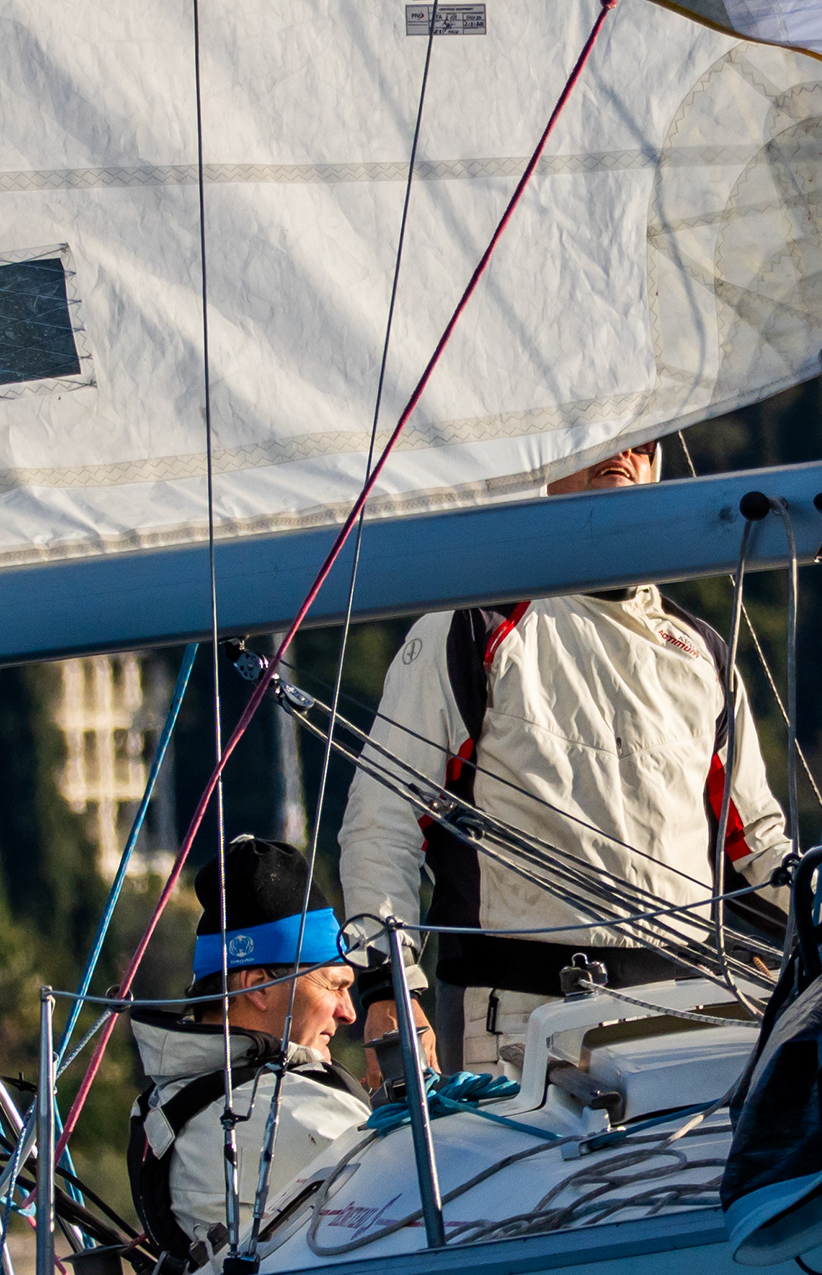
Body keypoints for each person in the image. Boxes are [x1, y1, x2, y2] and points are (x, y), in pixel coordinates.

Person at [337, 436, 793, 1073]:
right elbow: (383, 820)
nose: (621, 454)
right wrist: (388, 987)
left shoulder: (703, 654)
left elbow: (756, 843)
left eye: (641, 444)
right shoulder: (470, 627)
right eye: (596, 440)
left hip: (685, 1012)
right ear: (544, 466)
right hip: (517, 1014)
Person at [126, 837, 380, 1275]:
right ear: (259, 986)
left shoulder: (161, 1104)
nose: (348, 1012)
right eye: (334, 986)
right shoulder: (290, 1111)